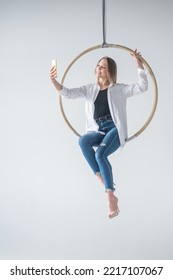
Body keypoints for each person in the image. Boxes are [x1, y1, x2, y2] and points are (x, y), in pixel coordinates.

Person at [49, 49, 148, 219]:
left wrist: (139, 64)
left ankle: (110, 196)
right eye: (98, 66)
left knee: (100, 154)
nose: (99, 68)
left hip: (115, 129)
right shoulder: (90, 89)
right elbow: (68, 93)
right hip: (99, 130)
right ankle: (105, 183)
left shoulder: (119, 89)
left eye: (103, 66)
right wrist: (53, 80)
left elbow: (142, 87)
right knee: (83, 141)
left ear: (110, 71)